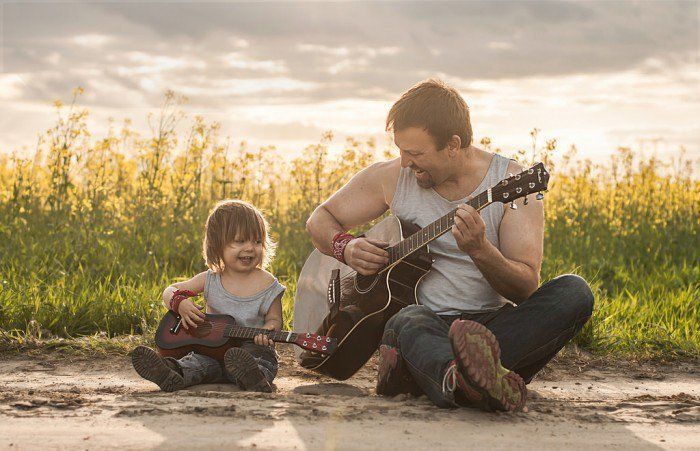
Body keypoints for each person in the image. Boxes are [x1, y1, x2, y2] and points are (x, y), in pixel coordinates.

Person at [305, 79, 594, 412]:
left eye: (415, 153)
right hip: (423, 324)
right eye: (400, 150)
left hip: (489, 331)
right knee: (407, 321)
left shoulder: (511, 182)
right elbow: (320, 220)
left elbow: (525, 289)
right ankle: (475, 380)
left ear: (453, 144)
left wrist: (481, 250)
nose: (404, 162)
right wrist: (346, 247)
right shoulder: (392, 178)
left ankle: (453, 378)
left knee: (574, 292)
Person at [132, 199, 285, 393]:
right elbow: (169, 290)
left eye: (257, 241)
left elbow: (275, 318)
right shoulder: (210, 279)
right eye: (239, 241)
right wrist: (180, 303)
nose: (250, 248)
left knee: (260, 361)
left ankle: (254, 377)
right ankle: (170, 372)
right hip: (212, 351)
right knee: (196, 363)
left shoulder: (268, 283)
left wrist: (269, 329)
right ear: (217, 245)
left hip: (251, 348)